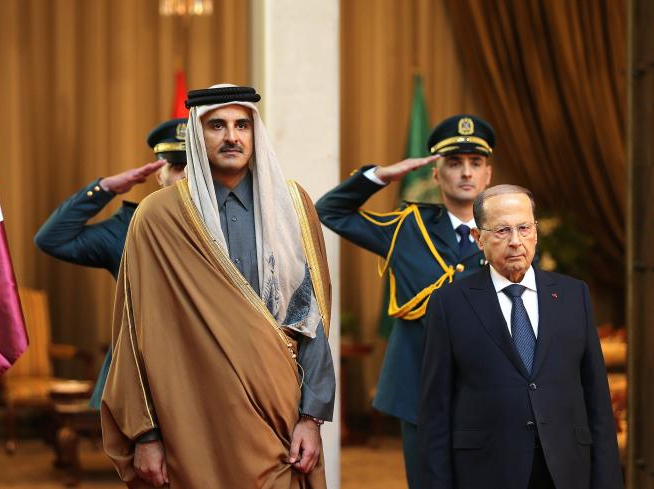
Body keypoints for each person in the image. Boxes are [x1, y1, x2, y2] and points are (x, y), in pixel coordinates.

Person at [100, 85, 336, 488]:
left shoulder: (293, 205)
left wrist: (311, 418)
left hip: (277, 419)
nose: (232, 136)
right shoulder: (157, 218)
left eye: (242, 124)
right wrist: (146, 434)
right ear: (196, 132)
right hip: (190, 424)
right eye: (217, 125)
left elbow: (311, 320)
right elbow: (133, 332)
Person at [315, 115, 494, 486]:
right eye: (454, 163)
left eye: (475, 163)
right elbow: (330, 210)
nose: (465, 173)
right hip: (419, 384)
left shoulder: (508, 234)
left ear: (488, 175)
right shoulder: (407, 226)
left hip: (488, 385)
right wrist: (382, 175)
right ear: (435, 174)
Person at [418, 185, 623, 489]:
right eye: (502, 231)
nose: (516, 242)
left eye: (524, 228)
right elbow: (435, 412)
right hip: (485, 471)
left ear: (536, 233)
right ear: (478, 238)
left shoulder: (573, 295)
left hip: (566, 468)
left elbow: (597, 399)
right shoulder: (450, 304)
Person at [34, 118, 188, 407]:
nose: (186, 177)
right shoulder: (127, 227)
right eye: (177, 167)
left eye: (196, 167)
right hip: (141, 377)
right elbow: (53, 239)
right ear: (160, 176)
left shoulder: (229, 224)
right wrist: (105, 188)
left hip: (203, 379)